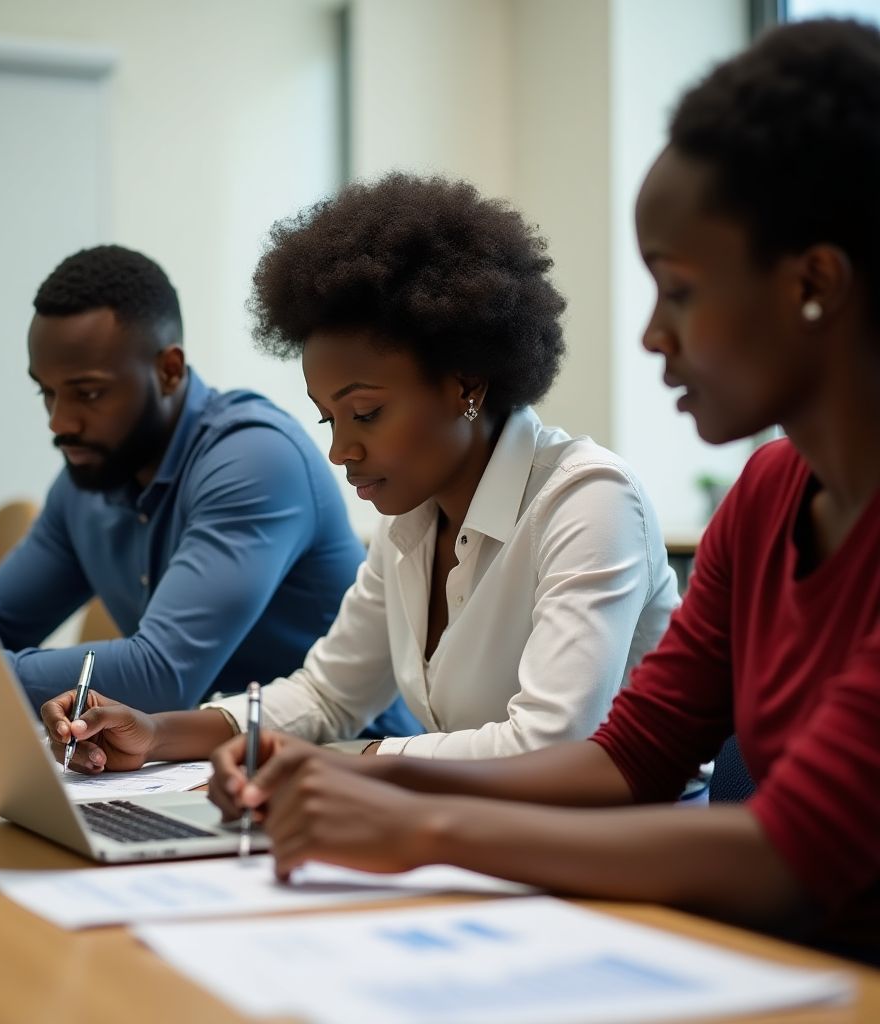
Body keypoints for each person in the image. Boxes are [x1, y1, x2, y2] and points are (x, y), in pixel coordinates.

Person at [204, 19, 880, 964]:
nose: (651, 335)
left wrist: (413, 817)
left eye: (680, 290)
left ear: (815, 282)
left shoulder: (594, 497)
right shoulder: (766, 495)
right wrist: (370, 784)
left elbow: (785, 857)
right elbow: (626, 759)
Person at [41, 174, 677, 768]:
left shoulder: (588, 502)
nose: (340, 449)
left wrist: (344, 765)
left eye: (366, 413)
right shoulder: (411, 522)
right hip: (476, 825)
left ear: (466, 383)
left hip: (625, 836)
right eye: (329, 419)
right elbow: (326, 696)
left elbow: (549, 742)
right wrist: (155, 734)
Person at [0, 244, 418, 736]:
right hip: (189, 762)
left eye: (88, 394)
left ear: (169, 370)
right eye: (47, 393)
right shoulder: (91, 478)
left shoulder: (255, 459)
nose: (59, 422)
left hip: (349, 760)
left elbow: (159, 676)